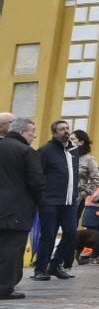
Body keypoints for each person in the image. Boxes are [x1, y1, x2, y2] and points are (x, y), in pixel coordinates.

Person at [1, 113, 42, 299]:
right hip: (16, 208)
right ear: (23, 131)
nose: (34, 135)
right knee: (12, 247)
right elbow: (36, 182)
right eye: (33, 131)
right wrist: (41, 202)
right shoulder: (25, 151)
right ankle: (4, 287)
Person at [32, 120, 78, 282]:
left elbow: (75, 175)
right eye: (61, 129)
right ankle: (40, 268)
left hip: (70, 200)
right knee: (48, 234)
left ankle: (56, 264)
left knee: (71, 233)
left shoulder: (73, 151)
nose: (65, 131)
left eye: (67, 128)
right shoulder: (45, 151)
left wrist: (76, 194)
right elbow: (37, 175)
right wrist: (41, 197)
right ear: (54, 133)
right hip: (50, 200)